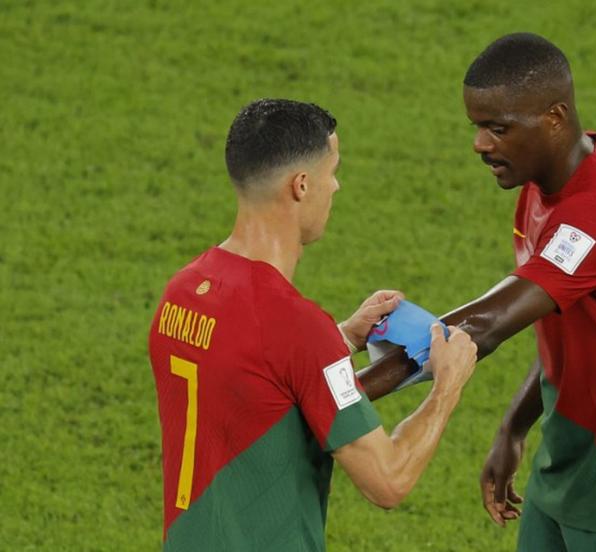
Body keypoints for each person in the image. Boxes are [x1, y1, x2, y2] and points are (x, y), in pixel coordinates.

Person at [359, 33, 596, 551]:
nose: (480, 144)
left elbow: (483, 327)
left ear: (555, 118)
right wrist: (514, 427)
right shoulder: (540, 189)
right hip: (568, 471)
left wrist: (338, 395)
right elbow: (560, 321)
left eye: (498, 128)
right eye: (477, 127)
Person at [148, 99, 477, 551]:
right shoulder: (297, 329)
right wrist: (448, 386)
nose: (336, 186)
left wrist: (343, 336)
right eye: (332, 171)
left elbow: (250, 380)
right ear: (301, 185)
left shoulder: (182, 291)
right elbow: (388, 480)